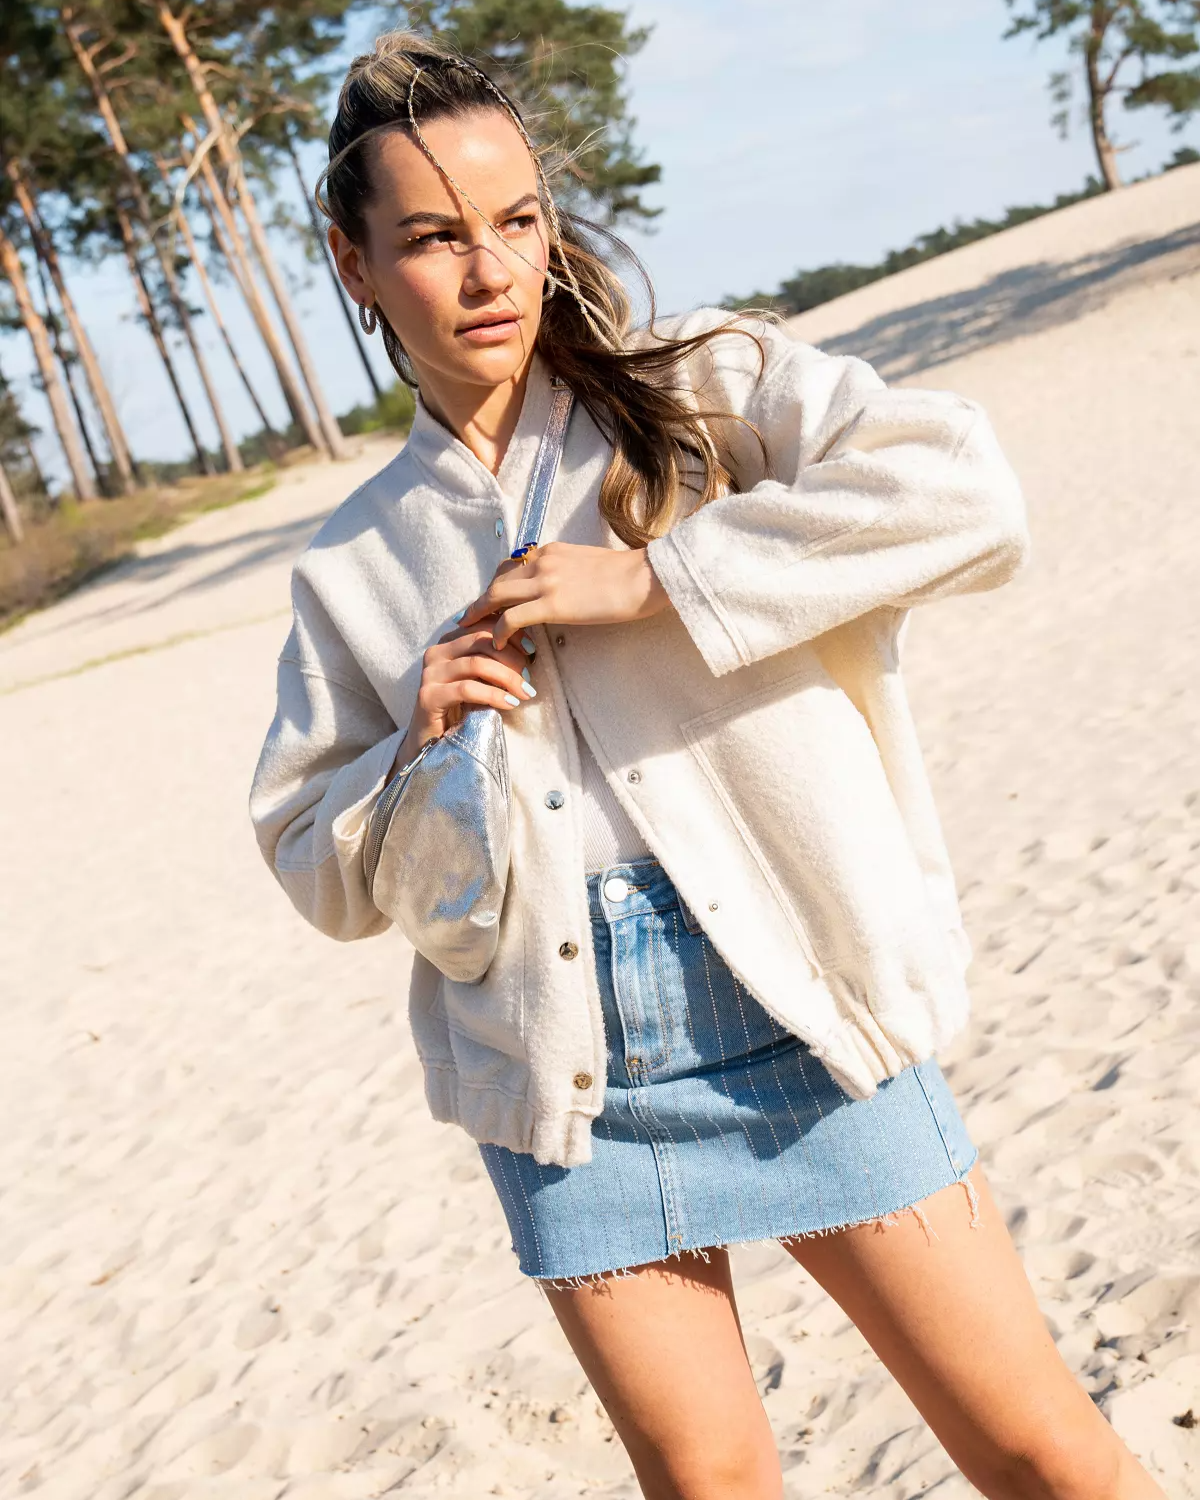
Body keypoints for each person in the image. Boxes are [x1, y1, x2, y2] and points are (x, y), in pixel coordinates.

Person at [248, 31, 1165, 1500]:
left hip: (800, 990)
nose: (489, 271)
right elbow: (317, 865)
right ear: (356, 269)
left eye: (517, 221)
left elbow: (969, 495)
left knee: (1042, 1451)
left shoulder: (701, 389)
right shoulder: (353, 561)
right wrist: (422, 752)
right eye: (430, 237)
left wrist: (661, 583)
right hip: (561, 1064)